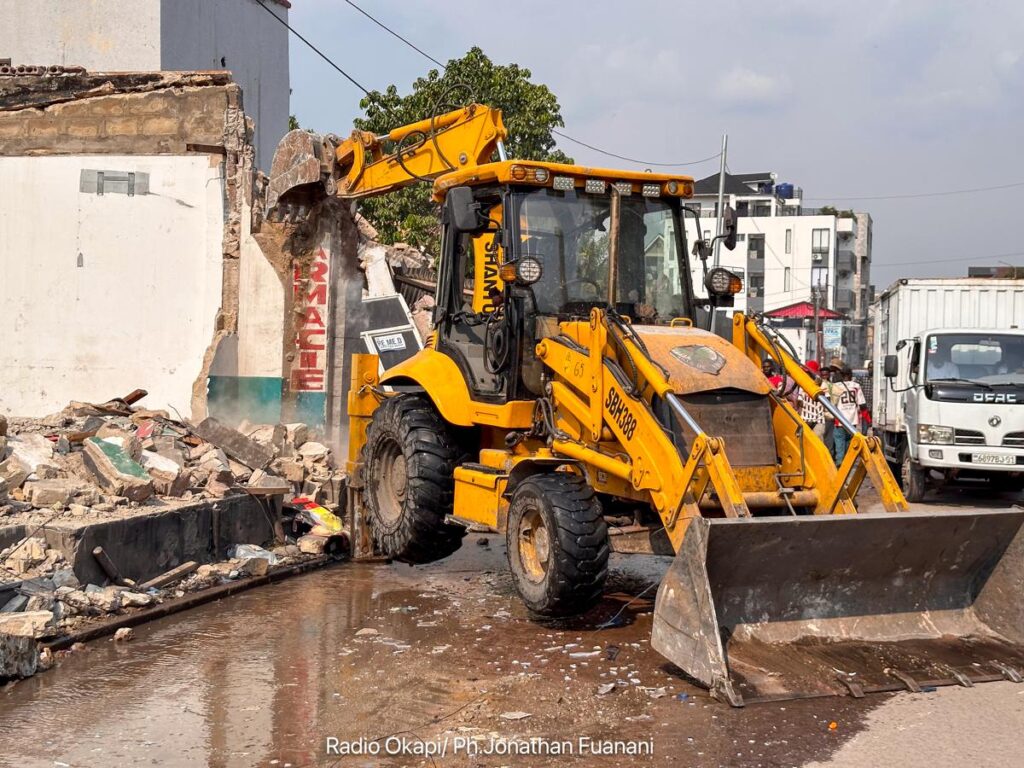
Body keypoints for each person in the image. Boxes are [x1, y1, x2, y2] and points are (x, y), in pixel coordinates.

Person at [829, 362, 870, 466]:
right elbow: (862, 404)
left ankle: (840, 464)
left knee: (839, 445)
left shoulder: (835, 386)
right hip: (852, 422)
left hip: (840, 421)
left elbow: (832, 405)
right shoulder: (856, 386)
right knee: (849, 445)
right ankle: (847, 464)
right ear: (850, 375)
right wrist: (867, 420)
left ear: (841, 375)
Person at [797, 360, 830, 445]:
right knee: (804, 445)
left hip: (818, 420)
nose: (805, 374)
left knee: (818, 444)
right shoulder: (803, 384)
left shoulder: (822, 385)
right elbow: (800, 401)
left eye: (807, 372)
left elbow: (827, 401)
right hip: (805, 420)